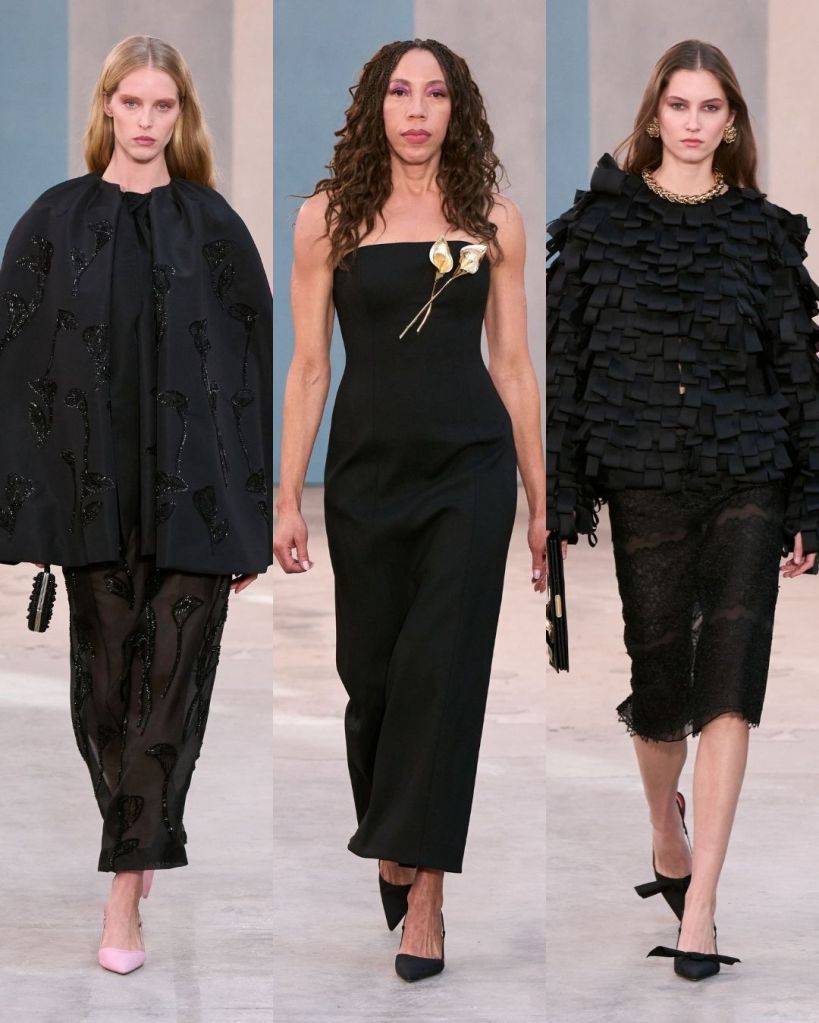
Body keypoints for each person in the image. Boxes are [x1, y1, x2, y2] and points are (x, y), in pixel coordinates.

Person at [547, 38, 819, 981]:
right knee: (661, 689)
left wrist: (810, 499)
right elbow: (569, 365)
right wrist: (559, 496)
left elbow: (798, 372)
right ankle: (666, 833)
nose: (693, 122)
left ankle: (698, 907)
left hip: (749, 472)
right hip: (645, 475)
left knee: (728, 685)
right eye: (678, 105)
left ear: (730, 121)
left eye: (710, 107)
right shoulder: (600, 228)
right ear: (654, 114)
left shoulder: (762, 232)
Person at [274, 38, 545, 982]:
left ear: (455, 109)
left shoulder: (491, 219)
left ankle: (425, 897)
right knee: (373, 681)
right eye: (399, 91)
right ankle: (392, 837)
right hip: (365, 475)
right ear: (375, 107)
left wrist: (539, 497)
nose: (417, 108)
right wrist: (286, 494)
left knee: (443, 673)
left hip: (470, 470)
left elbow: (513, 364)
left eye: (434, 93)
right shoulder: (327, 220)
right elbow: (310, 366)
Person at [0, 35, 272, 974]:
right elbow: (21, 365)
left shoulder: (214, 226)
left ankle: (123, 899)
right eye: (132, 103)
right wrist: (31, 505)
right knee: (106, 697)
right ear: (107, 107)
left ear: (181, 114)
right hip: (93, 496)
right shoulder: (55, 219)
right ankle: (139, 831)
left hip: (196, 502)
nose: (147, 121)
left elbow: (245, 372)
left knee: (169, 695)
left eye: (163, 105)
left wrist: (248, 511)